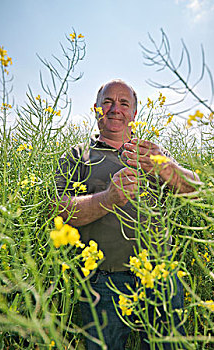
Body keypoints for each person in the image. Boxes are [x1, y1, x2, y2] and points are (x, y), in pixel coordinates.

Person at [54, 79, 199, 349]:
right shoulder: (78, 156)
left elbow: (197, 191)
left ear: (134, 113)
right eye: (107, 102)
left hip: (160, 276)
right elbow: (61, 211)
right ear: (96, 109)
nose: (115, 109)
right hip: (103, 282)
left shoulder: (152, 153)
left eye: (124, 103)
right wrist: (108, 198)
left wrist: (167, 168)